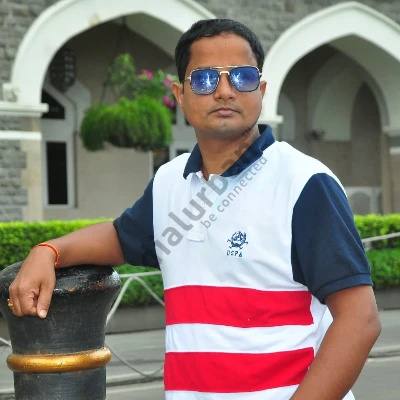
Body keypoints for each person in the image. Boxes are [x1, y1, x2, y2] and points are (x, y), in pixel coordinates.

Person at [8, 19, 381, 400]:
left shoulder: (304, 182)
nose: (224, 91)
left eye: (242, 77)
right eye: (204, 79)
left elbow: (360, 320)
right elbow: (121, 236)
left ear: (261, 89)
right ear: (180, 95)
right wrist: (49, 251)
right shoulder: (170, 181)